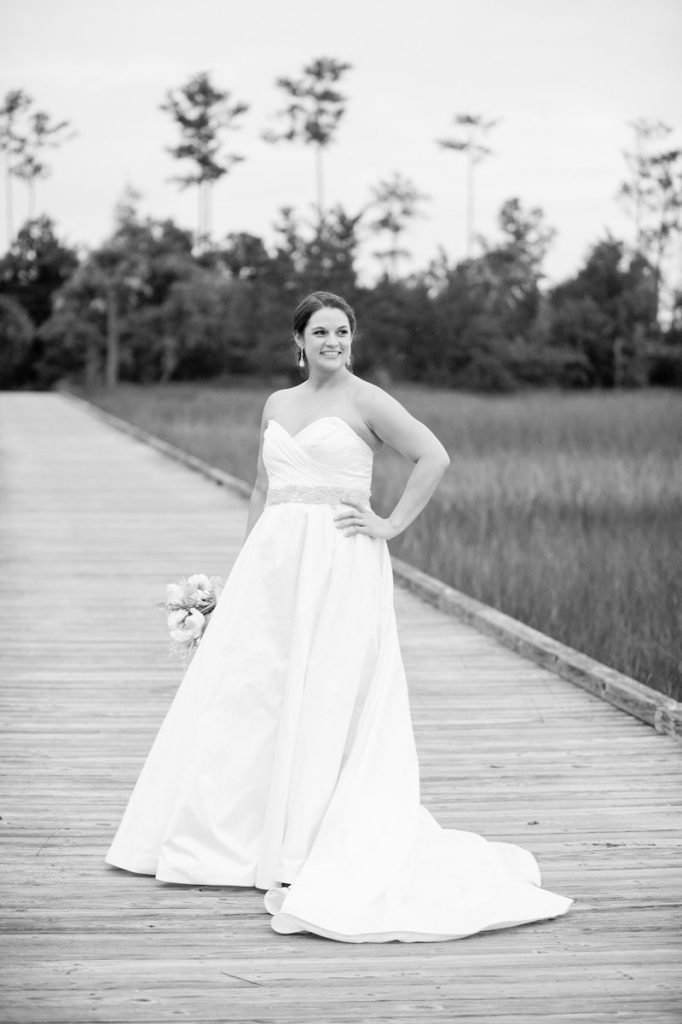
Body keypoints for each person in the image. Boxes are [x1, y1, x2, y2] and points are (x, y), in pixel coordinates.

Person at [106, 290, 572, 942]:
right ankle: (234, 840)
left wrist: (389, 524)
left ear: (351, 338)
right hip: (274, 566)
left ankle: (304, 846)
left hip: (341, 565)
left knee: (328, 693)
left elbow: (433, 457)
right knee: (254, 693)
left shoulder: (366, 400)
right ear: (298, 341)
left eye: (341, 331)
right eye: (320, 332)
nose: (332, 341)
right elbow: (265, 487)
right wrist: (241, 576)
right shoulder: (276, 404)